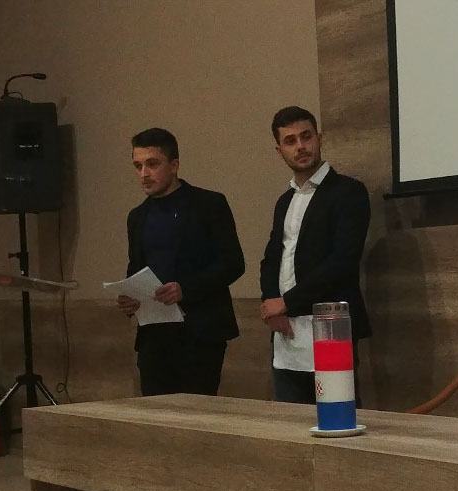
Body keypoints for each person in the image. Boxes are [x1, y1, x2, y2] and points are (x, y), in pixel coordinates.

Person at [117, 127, 245, 396]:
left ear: (174, 165)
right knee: (154, 414)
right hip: (154, 336)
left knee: (197, 412)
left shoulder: (208, 204)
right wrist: (131, 298)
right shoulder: (137, 216)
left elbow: (233, 263)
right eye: (138, 166)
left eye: (152, 164)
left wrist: (185, 288)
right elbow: (136, 268)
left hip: (200, 332)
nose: (144, 174)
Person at [259, 106, 371, 406]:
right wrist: (271, 303)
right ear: (279, 151)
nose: (300, 146)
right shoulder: (285, 201)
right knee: (290, 421)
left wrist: (286, 301)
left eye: (306, 137)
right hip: (286, 328)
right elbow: (273, 257)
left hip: (331, 325)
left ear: (319, 138)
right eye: (290, 141)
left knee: (336, 417)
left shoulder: (348, 192)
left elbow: (342, 262)